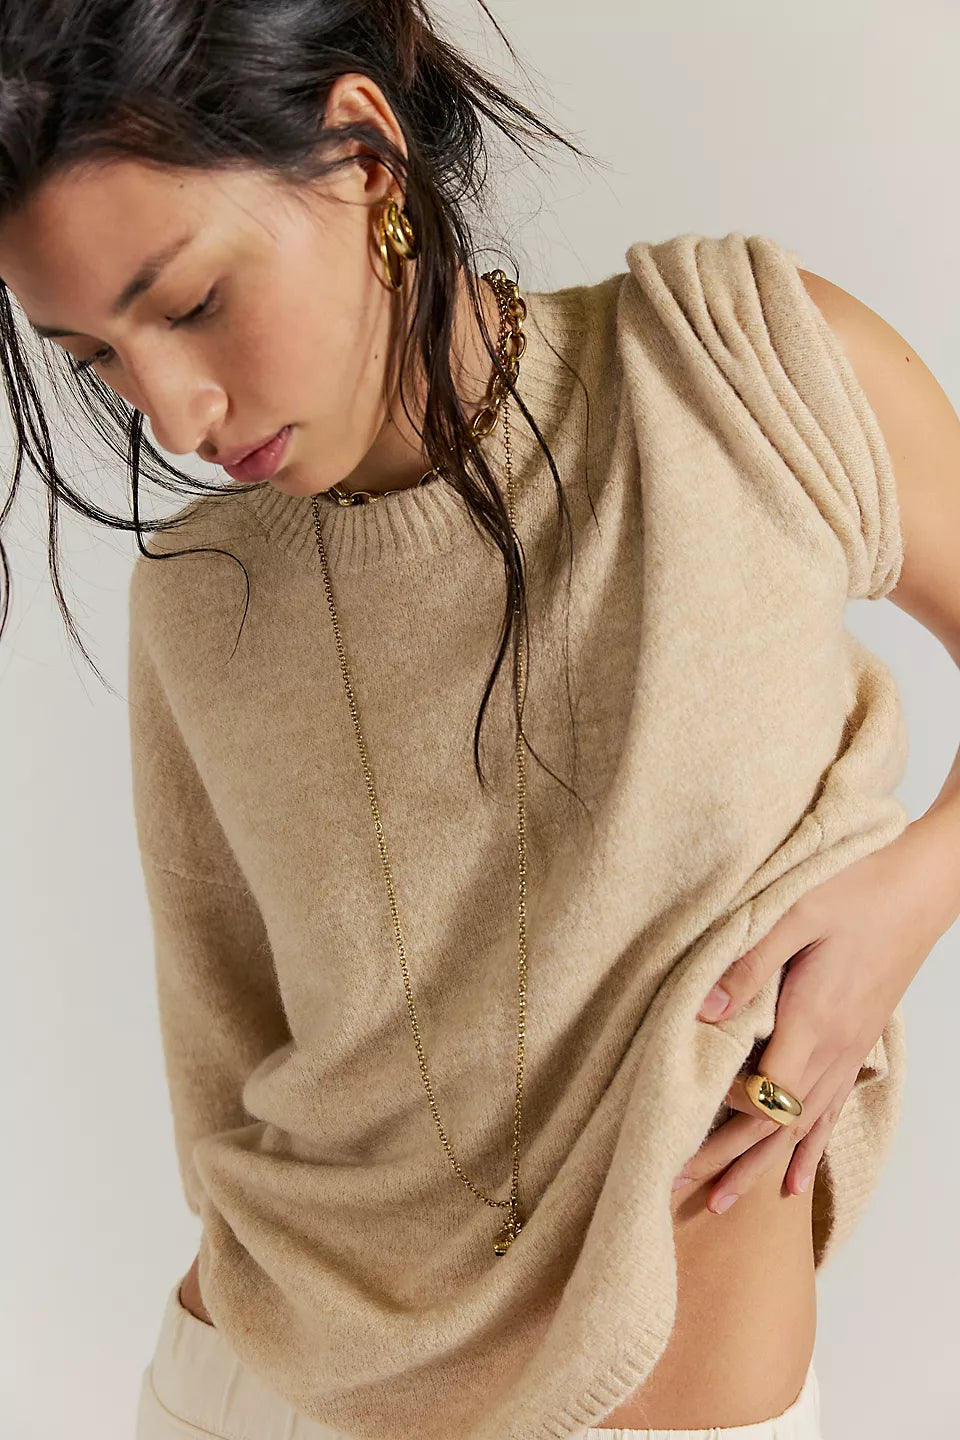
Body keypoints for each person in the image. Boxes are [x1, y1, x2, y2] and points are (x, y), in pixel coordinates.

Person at [2, 4, 959, 1440]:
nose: (176, 416)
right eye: (96, 360)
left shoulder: (735, 369)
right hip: (263, 1390)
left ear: (363, 157)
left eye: (191, 303)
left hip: (672, 1394)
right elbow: (226, 1062)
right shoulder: (201, 601)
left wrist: (912, 899)